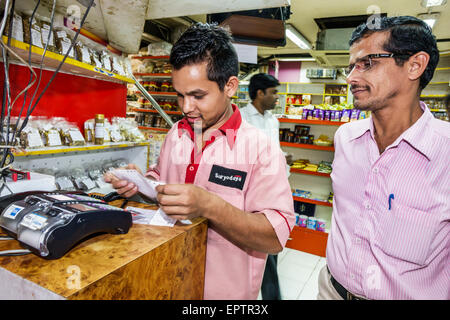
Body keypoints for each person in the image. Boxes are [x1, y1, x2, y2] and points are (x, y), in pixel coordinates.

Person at [104, 23, 295, 300]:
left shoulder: (260, 150)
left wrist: (209, 205)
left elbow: (275, 238)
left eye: (198, 96)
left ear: (230, 86)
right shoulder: (176, 134)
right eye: (180, 95)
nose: (185, 108)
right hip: (165, 279)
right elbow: (162, 179)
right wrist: (141, 184)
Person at [318, 16, 449, 300]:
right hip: (332, 291)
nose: (351, 78)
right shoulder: (346, 139)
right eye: (351, 66)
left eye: (368, 63)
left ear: (415, 65)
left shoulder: (445, 153)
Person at [240, 73, 292, 300]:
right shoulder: (241, 118)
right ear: (260, 93)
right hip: (249, 196)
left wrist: (282, 159)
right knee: (264, 252)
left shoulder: (273, 120)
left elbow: (273, 151)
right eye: (273, 93)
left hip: (272, 192)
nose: (276, 98)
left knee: (270, 251)